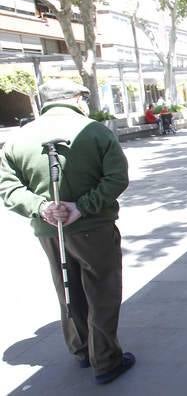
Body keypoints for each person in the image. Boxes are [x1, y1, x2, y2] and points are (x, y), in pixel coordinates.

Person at [0, 80, 134, 384]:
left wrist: (41, 207)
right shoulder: (96, 131)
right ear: (76, 99)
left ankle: (81, 348)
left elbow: (7, 187)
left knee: (67, 287)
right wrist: (82, 206)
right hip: (93, 229)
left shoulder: (19, 139)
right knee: (102, 292)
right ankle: (106, 360)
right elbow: (116, 179)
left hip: (49, 231)